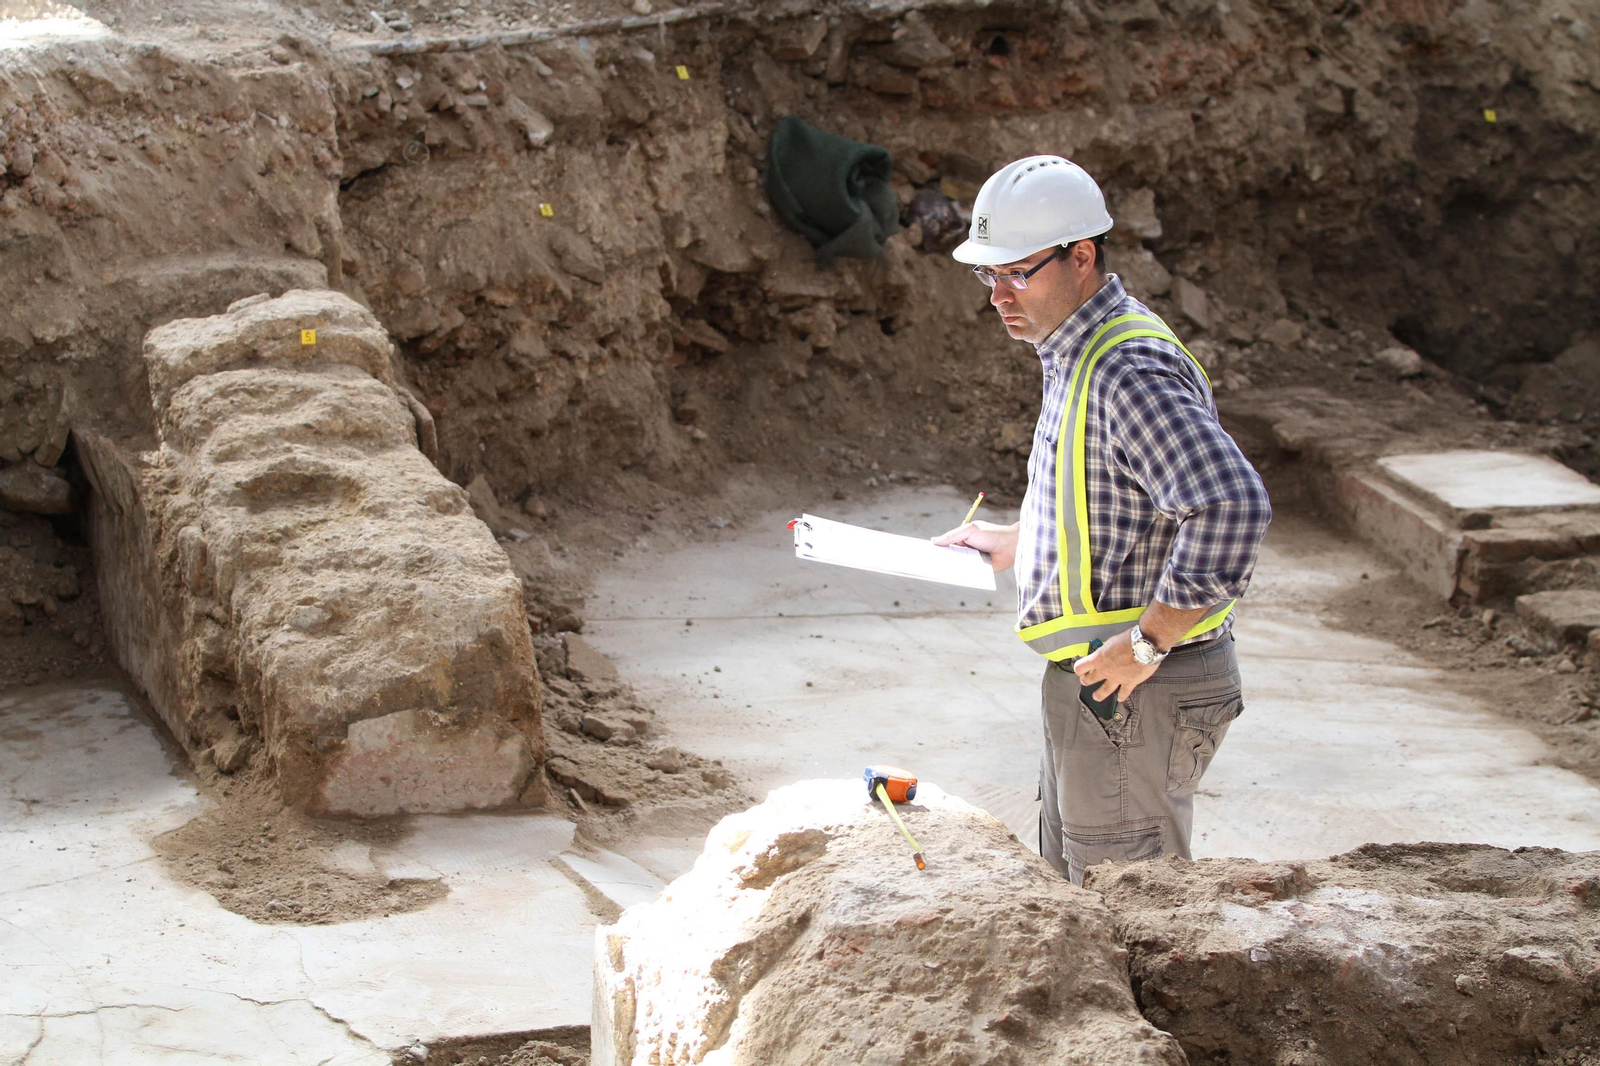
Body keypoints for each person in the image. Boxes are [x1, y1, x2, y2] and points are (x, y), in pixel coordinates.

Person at [933, 156, 1272, 885]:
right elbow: (1115, 502)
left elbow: (1230, 505)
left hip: (1141, 686)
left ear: (1081, 256)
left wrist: (1147, 645)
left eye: (1016, 273)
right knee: (1082, 900)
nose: (998, 296)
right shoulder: (1076, 350)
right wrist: (1016, 543)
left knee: (1129, 918)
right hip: (1106, 687)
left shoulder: (1127, 368)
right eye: (986, 277)